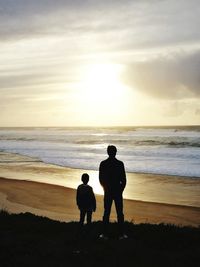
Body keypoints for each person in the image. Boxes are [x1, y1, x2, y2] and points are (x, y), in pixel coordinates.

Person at [99, 145, 127, 239]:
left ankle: (105, 233)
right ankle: (121, 234)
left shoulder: (103, 163)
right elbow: (124, 180)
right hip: (116, 191)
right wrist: (120, 190)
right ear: (115, 152)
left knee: (107, 212)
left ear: (108, 152)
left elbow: (101, 179)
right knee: (119, 213)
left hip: (109, 191)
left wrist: (105, 189)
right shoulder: (119, 164)